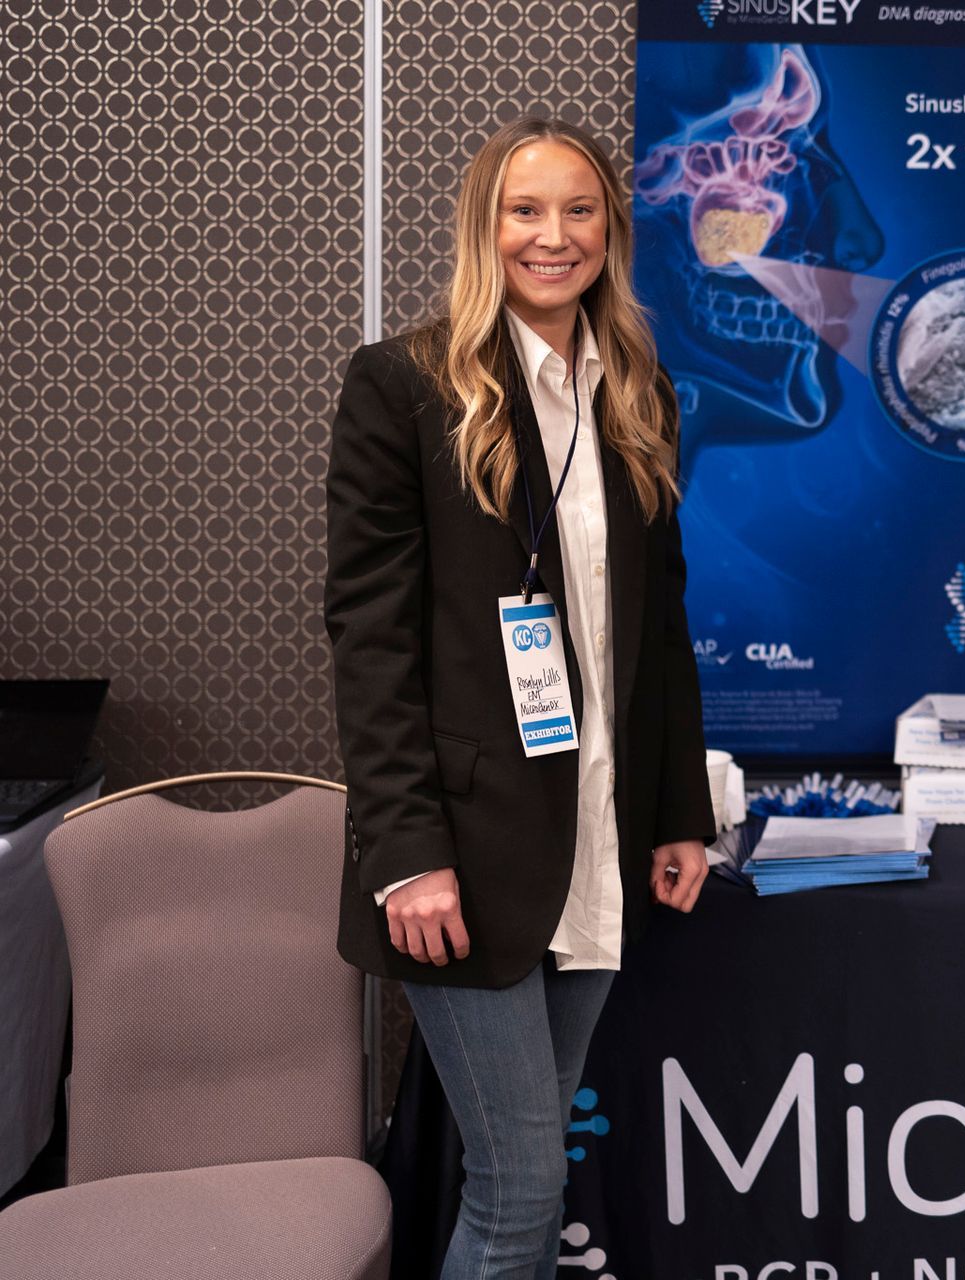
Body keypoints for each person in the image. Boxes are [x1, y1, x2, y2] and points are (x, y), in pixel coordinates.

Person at [323, 116, 715, 1280]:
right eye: (526, 210)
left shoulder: (636, 391)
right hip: (464, 854)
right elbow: (372, 637)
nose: (555, 236)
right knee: (518, 1189)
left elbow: (662, 629)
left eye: (580, 210)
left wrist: (678, 809)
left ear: (612, 230)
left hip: (593, 838)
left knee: (524, 1188)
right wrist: (405, 853)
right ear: (485, 229)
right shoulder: (404, 385)